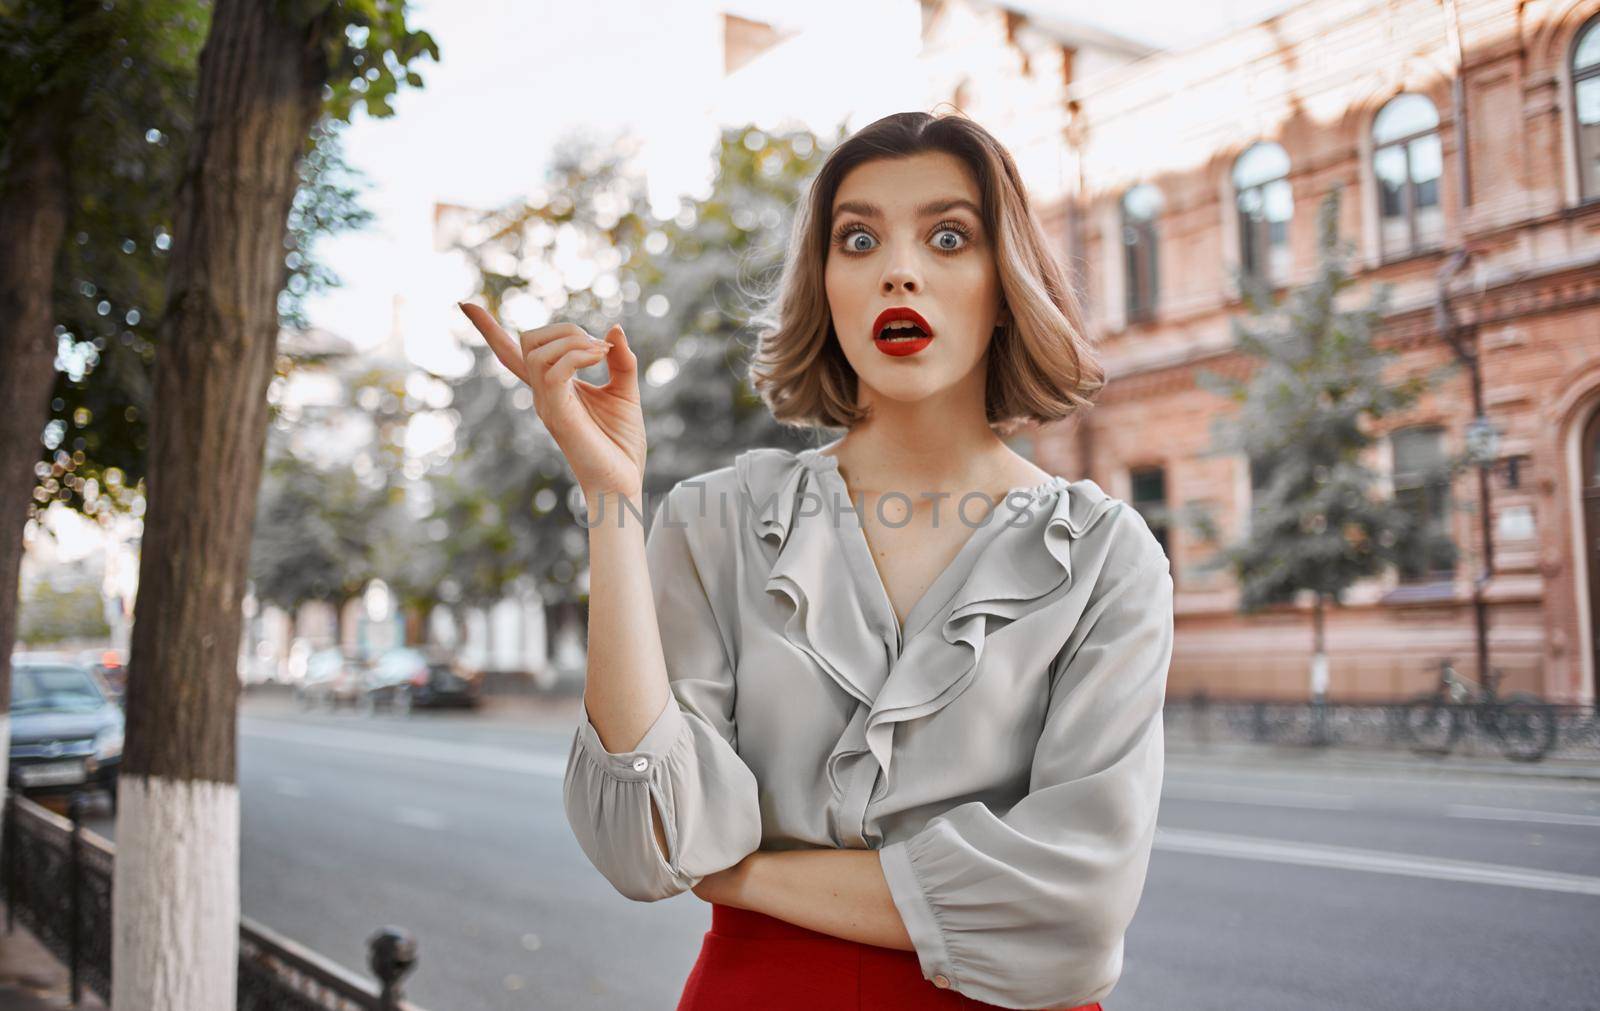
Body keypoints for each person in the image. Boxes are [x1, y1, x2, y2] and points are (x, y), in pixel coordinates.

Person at [459, 109, 1173, 1011]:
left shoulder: (1109, 557)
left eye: (949, 236)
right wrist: (610, 496)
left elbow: (1072, 916)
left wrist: (741, 870)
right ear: (826, 282)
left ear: (1006, 282)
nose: (898, 269)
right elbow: (647, 842)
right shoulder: (713, 519)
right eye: (858, 238)